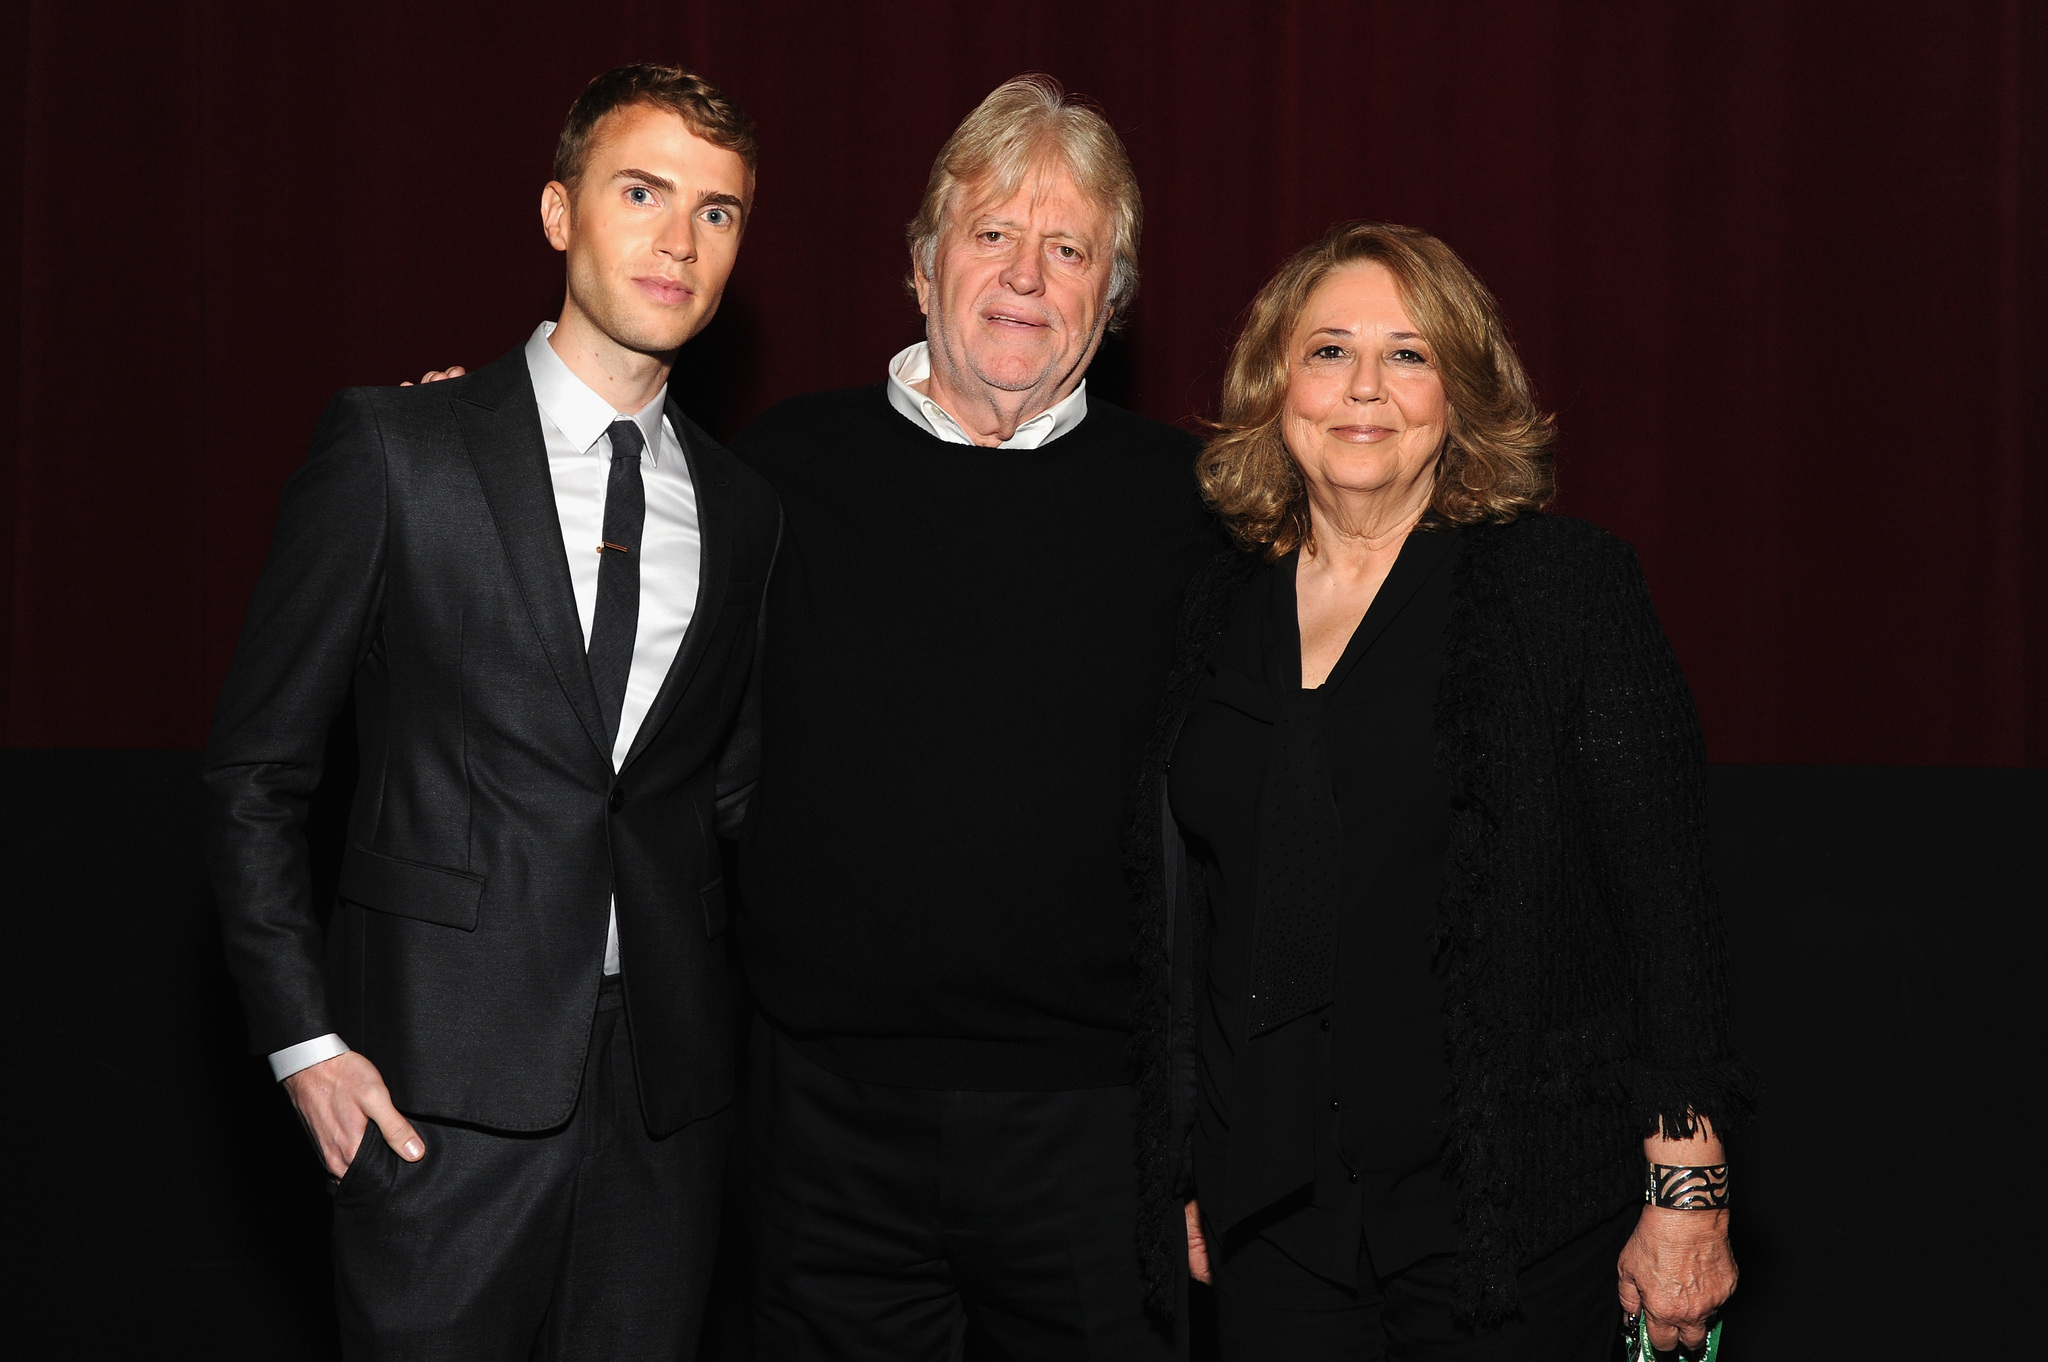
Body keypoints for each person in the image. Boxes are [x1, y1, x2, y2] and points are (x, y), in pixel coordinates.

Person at [201, 64, 780, 1359]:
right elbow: (254, 773)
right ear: (557, 211)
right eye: (642, 192)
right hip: (433, 1101)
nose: (679, 239)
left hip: (668, 1119)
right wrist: (306, 1045)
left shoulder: (746, 513)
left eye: (719, 211)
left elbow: (725, 801)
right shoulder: (401, 451)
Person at [1128, 221, 1755, 1360]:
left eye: (1408, 355)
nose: (1363, 387)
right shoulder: (1213, 608)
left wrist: (1687, 1195)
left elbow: (1671, 920)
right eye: (1326, 351)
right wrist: (1183, 1161)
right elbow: (1196, 923)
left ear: (1461, 391)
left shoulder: (1562, 591)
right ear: (1274, 383)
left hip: (1503, 1220)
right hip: (1269, 1216)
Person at [730, 76, 1223, 1359]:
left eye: (1068, 249)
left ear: (1108, 302)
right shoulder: (774, 471)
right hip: (820, 1123)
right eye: (991, 232)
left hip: (1092, 1130)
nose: (1025, 273)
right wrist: (468, 433)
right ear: (919, 265)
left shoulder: (1192, 509)